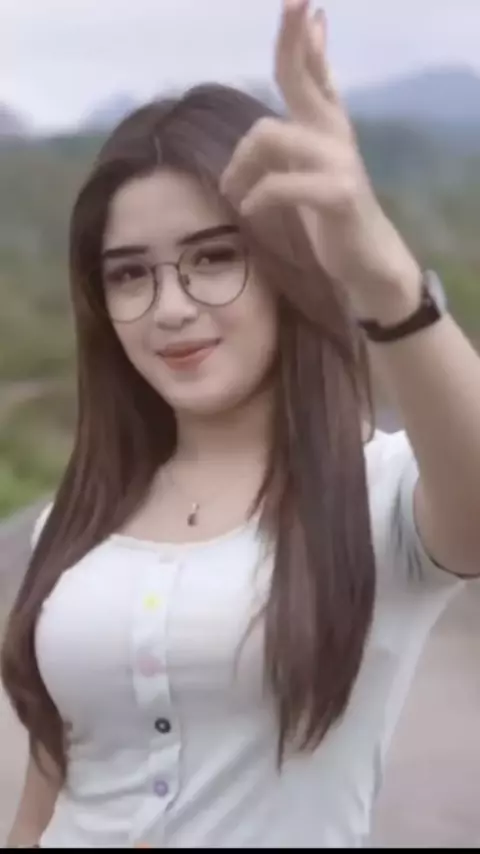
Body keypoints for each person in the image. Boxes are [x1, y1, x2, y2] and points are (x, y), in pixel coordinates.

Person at [2, 0, 480, 847]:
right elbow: (49, 784)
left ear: (289, 264)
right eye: (130, 275)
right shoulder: (72, 519)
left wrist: (382, 277)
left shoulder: (379, 500)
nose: (171, 307)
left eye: (215, 257)